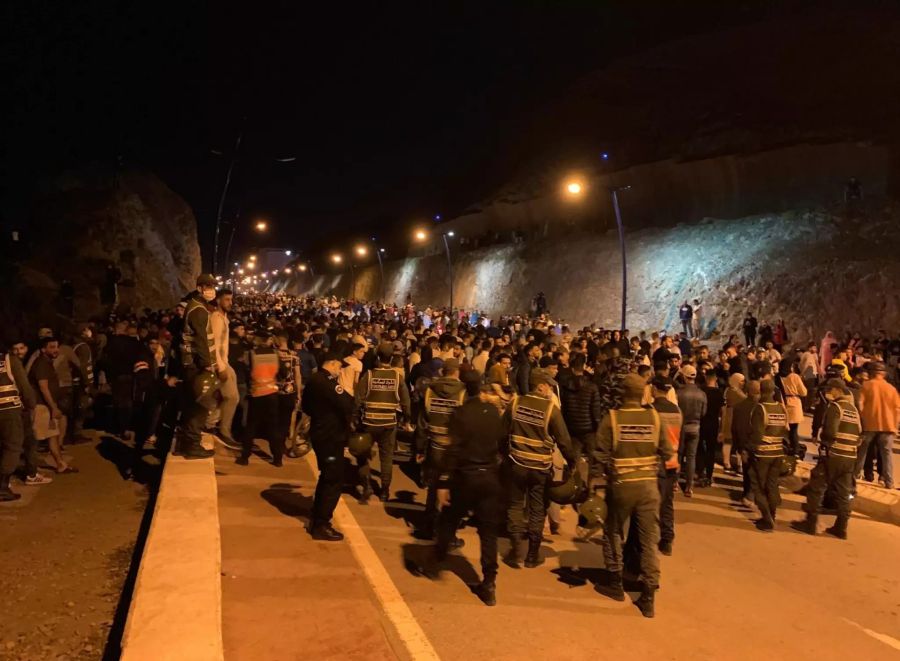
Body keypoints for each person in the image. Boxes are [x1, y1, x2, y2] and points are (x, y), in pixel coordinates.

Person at [592, 373, 675, 618]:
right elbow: (668, 452)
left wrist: (595, 488)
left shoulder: (612, 419)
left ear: (621, 393)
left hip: (621, 485)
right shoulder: (655, 418)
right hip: (649, 487)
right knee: (649, 540)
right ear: (643, 394)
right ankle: (648, 596)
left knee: (613, 531)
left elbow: (598, 457)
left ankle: (615, 583)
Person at [429, 368, 505, 606]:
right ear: (482, 388)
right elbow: (502, 443)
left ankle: (441, 552)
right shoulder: (494, 413)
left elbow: (453, 450)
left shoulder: (460, 413)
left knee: (450, 517)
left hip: (465, 477)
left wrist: (443, 482)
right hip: (489, 477)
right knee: (488, 533)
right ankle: (489, 582)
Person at [504, 368, 573, 569]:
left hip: (516, 463)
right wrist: (572, 460)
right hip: (539, 467)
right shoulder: (551, 409)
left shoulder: (515, 403)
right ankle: (532, 554)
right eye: (548, 385)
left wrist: (504, 454)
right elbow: (564, 440)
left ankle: (515, 549)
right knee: (537, 509)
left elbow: (502, 432)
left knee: (515, 505)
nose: (551, 389)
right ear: (540, 385)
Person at [791, 379, 861, 539]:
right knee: (844, 493)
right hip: (849, 457)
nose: (828, 393)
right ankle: (841, 528)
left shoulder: (835, 407)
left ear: (837, 390)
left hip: (833, 455)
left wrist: (825, 443)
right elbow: (859, 433)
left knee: (817, 486)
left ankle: (810, 523)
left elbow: (830, 432)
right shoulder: (854, 410)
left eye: (830, 390)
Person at [302, 352, 355, 541]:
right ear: (332, 363)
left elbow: (306, 407)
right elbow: (347, 404)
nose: (340, 371)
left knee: (326, 475)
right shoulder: (328, 383)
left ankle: (317, 513)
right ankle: (321, 523)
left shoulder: (313, 380)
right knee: (333, 479)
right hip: (330, 438)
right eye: (339, 367)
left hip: (320, 433)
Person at [415, 358, 466, 537]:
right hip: (454, 450)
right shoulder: (463, 392)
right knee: (451, 488)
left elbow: (422, 422)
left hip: (434, 445)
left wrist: (420, 448)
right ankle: (447, 531)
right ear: (456, 372)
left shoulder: (430, 391)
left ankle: (429, 524)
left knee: (433, 485)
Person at [355, 342, 411, 502]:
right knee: (386, 459)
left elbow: (358, 399)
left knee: (362, 455)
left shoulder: (369, 375)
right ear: (392, 358)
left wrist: (354, 418)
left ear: (378, 358)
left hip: (369, 423)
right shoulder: (397, 377)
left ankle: (366, 486)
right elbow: (406, 402)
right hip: (389, 424)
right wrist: (407, 418)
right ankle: (385, 491)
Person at [176, 275, 221, 459]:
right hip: (197, 366)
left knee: (192, 404)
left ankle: (187, 443)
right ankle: (193, 446)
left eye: (213, 286)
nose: (212, 290)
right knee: (200, 405)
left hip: (191, 364)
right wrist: (207, 365)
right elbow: (201, 341)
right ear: (200, 288)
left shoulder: (194, 306)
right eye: (208, 286)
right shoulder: (199, 311)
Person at [236, 330, 283, 466]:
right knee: (273, 427)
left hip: (256, 394)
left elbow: (245, 371)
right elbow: (282, 373)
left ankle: (245, 457)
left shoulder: (250, 354)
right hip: (272, 394)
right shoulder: (275, 354)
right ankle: (278, 459)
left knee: (251, 426)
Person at [30, 337, 76, 473]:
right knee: (35, 439)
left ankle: (61, 464)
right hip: (41, 406)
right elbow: (43, 387)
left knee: (53, 435)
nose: (56, 350)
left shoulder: (47, 363)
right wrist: (54, 407)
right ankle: (30, 471)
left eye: (56, 346)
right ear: (43, 349)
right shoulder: (42, 364)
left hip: (47, 407)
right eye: (51, 347)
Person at [748, 380, 788, 531]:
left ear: (761, 391)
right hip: (778, 453)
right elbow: (784, 430)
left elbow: (757, 435)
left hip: (763, 454)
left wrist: (749, 449)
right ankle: (772, 514)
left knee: (758, 486)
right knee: (772, 485)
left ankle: (766, 518)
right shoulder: (780, 408)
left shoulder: (760, 408)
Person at [0, 349, 37, 500]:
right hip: (9, 410)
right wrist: (31, 404)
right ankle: (2, 487)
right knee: (13, 446)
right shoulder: (9, 360)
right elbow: (24, 386)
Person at [856, 361, 899, 489]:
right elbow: (897, 408)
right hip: (888, 425)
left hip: (870, 425)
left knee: (862, 451)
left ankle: (855, 475)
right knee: (887, 454)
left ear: (872, 373)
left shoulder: (867, 385)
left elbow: (860, 404)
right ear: (884, 374)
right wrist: (895, 426)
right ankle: (889, 482)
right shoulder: (891, 389)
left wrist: (863, 418)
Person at [213, 289, 241, 450]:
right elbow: (214, 345)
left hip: (225, 362)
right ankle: (223, 430)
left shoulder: (224, 318)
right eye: (227, 300)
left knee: (225, 397)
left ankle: (215, 425)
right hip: (221, 364)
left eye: (231, 300)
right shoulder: (216, 319)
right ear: (218, 301)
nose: (230, 303)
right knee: (231, 397)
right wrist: (220, 367)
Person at [676, 364, 706, 496]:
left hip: (681, 426)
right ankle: (689, 486)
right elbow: (703, 412)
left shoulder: (679, 392)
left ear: (684, 376)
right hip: (695, 426)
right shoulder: (701, 394)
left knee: (678, 455)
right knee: (691, 457)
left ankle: (674, 483)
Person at [697, 371, 723, 487]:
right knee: (711, 450)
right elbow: (723, 411)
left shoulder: (701, 391)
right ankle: (709, 474)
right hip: (713, 423)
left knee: (699, 448)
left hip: (701, 422)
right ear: (715, 379)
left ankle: (700, 471)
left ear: (706, 378)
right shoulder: (719, 393)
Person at [780, 363, 808, 458]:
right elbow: (804, 392)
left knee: (786, 429)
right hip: (794, 403)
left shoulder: (779, 377)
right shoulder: (794, 376)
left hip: (783, 402)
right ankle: (795, 451)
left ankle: (787, 448)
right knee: (794, 430)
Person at [721, 373, 746, 473]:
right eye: (741, 381)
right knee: (730, 441)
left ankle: (730, 463)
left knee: (730, 441)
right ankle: (728, 463)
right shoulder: (733, 391)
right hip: (732, 417)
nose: (743, 383)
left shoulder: (730, 390)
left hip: (731, 417)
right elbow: (745, 399)